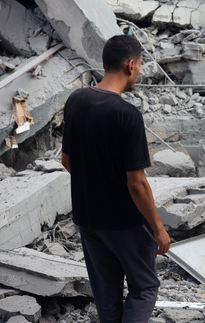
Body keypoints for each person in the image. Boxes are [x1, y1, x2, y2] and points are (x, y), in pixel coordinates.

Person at [61, 34, 171, 323]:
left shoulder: (76, 100)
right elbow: (136, 183)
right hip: (124, 222)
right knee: (144, 286)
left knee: (106, 292)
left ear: (104, 63)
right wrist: (158, 228)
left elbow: (67, 160)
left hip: (88, 218)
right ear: (131, 66)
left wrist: (96, 186)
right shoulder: (127, 115)